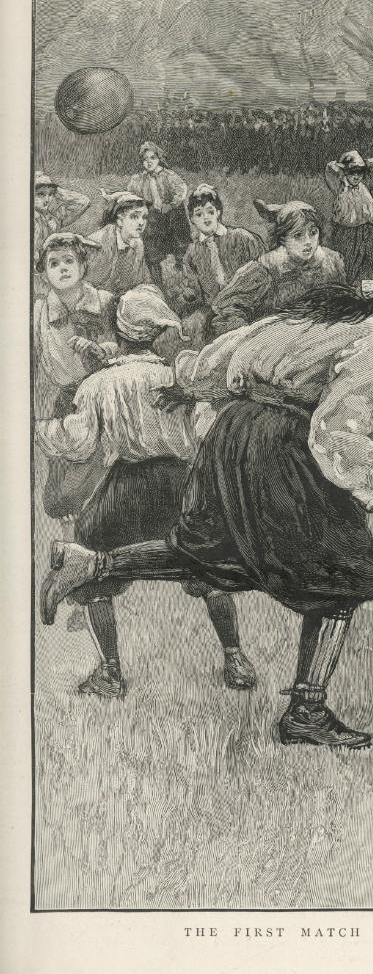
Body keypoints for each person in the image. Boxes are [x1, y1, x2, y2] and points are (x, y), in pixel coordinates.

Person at [40, 257, 373, 748]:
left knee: (215, 552)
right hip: (281, 448)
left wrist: (190, 380)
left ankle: (92, 565)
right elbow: (339, 426)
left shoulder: (316, 314)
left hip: (232, 436)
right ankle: (306, 711)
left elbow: (225, 355)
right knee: (342, 575)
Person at [35, 285, 257, 700]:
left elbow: (80, 443)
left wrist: (43, 431)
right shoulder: (175, 376)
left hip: (126, 487)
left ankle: (111, 672)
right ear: (155, 335)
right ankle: (235, 658)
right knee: (207, 566)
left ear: (118, 331)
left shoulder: (98, 385)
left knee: (89, 562)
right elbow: (204, 428)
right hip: (180, 483)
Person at [33, 232, 120, 520]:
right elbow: (35, 359)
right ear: (44, 273)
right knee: (59, 495)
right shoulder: (39, 311)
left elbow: (118, 345)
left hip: (100, 392)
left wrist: (99, 349)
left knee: (102, 465)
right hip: (67, 395)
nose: (62, 268)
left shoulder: (105, 302)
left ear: (83, 266)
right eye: (53, 263)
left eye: (69, 261)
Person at [210, 200, 345, 335]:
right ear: (283, 240)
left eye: (313, 232)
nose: (308, 242)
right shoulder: (265, 269)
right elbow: (228, 311)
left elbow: (341, 303)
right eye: (298, 235)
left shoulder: (331, 262)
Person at [177, 184, 264, 344]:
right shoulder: (193, 252)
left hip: (248, 304)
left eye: (210, 212)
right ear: (192, 220)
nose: (206, 218)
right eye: (199, 214)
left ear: (218, 212)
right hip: (216, 310)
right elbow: (193, 289)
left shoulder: (242, 238)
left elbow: (261, 272)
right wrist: (187, 297)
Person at [127, 141, 191, 287]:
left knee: (178, 222)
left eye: (152, 158)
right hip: (153, 216)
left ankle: (180, 266)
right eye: (145, 159)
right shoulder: (140, 179)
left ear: (158, 158)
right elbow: (131, 192)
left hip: (170, 214)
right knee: (149, 240)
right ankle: (158, 281)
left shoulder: (168, 175)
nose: (149, 162)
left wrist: (170, 205)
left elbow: (181, 190)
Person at [322, 150, 373, 283]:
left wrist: (364, 163)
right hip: (346, 232)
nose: (356, 176)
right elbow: (330, 168)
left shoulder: (366, 186)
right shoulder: (339, 186)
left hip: (366, 231)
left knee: (366, 264)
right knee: (347, 264)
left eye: (360, 172)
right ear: (345, 173)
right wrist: (342, 165)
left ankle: (364, 290)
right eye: (352, 172)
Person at [84, 191, 155, 297]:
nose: (141, 222)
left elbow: (144, 281)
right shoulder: (98, 242)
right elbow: (86, 284)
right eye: (134, 217)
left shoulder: (138, 244)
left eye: (144, 217)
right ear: (120, 221)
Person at [33, 172, 91, 266]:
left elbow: (84, 202)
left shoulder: (52, 218)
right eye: (41, 194)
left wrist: (58, 191)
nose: (47, 200)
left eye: (50, 194)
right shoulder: (31, 219)